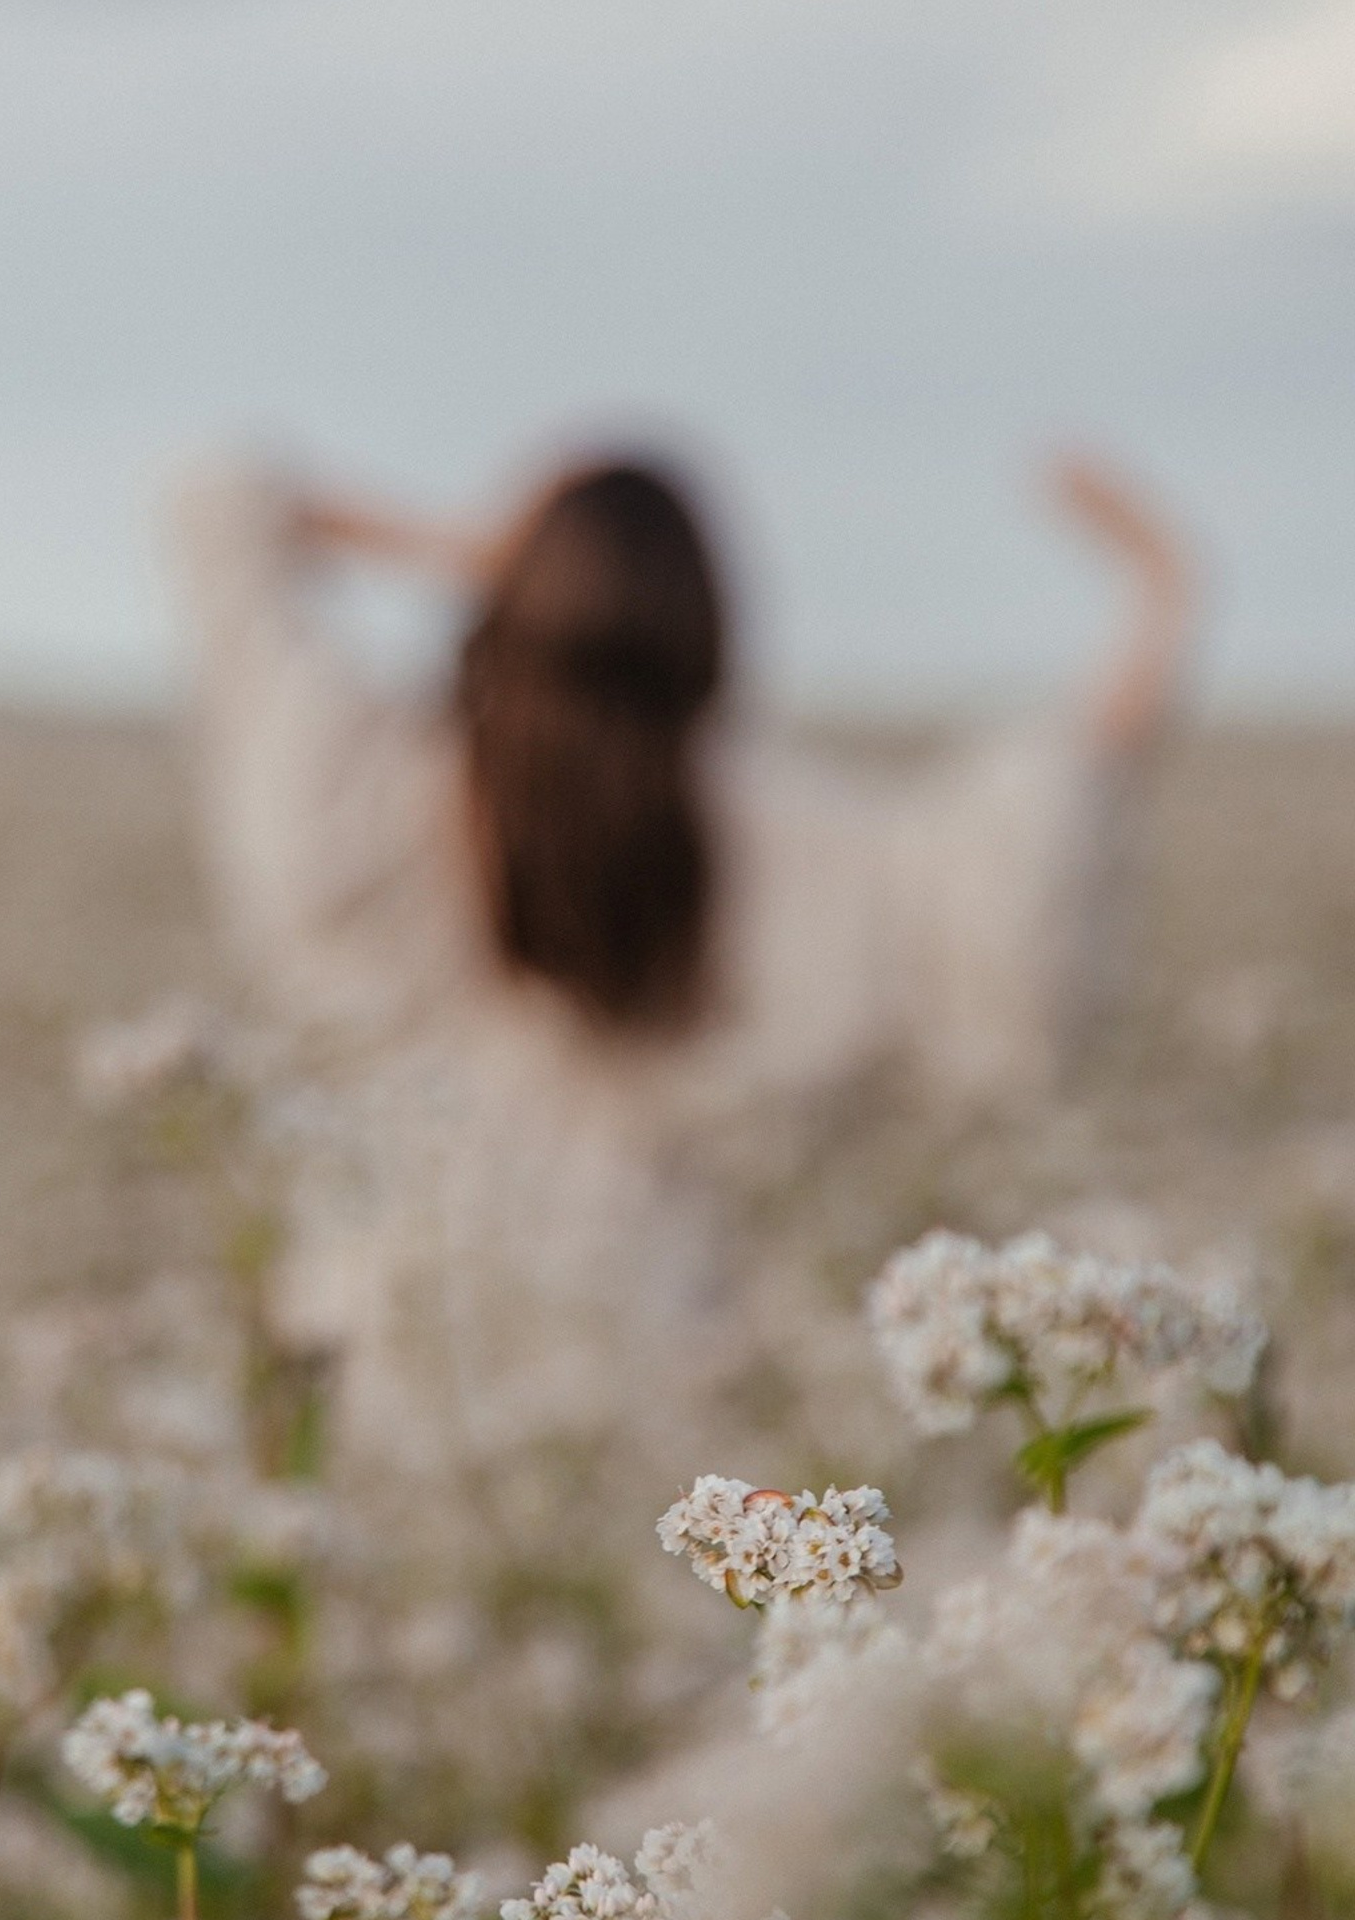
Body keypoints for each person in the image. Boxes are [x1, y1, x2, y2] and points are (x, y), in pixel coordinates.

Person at [169, 446, 1191, 1505]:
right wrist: (1166, 590)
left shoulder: (383, 783)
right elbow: (1014, 860)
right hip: (638, 1353)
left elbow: (222, 509)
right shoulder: (764, 834)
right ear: (706, 634)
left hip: (374, 1339)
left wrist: (479, 555)